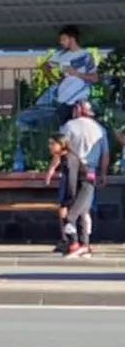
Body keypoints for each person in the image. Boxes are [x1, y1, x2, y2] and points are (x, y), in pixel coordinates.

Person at [45, 99, 107, 253]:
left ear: (78, 110)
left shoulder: (70, 126)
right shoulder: (100, 129)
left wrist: (52, 169)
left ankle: (69, 240)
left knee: (67, 206)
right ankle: (85, 241)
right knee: (84, 210)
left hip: (72, 169)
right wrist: (103, 174)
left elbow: (61, 148)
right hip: (90, 172)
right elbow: (105, 154)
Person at [51, 132, 94, 258]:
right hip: (81, 187)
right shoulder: (64, 158)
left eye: (53, 143)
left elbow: (71, 182)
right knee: (78, 216)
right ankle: (81, 246)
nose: (50, 146)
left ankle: (77, 244)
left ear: (62, 144)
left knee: (70, 216)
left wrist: (66, 203)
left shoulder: (70, 159)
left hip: (85, 188)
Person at [44, 25, 98, 124]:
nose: (61, 42)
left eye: (64, 39)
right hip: (63, 99)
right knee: (64, 130)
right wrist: (56, 81)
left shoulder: (86, 55)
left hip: (80, 99)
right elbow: (46, 67)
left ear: (72, 39)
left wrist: (76, 73)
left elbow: (94, 78)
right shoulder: (60, 55)